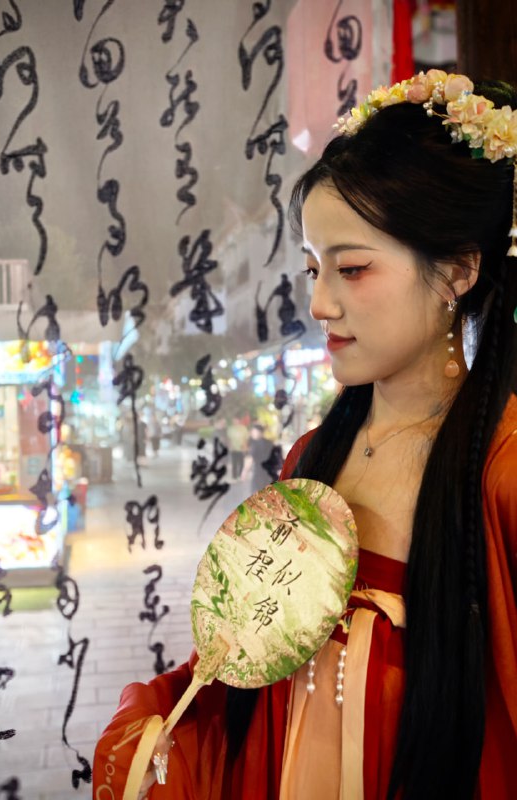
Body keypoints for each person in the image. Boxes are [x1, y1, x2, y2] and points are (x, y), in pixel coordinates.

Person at [93, 71, 517, 799]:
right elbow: (248, 660)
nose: (319, 303)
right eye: (314, 269)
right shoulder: (311, 456)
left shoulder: (501, 473)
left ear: (457, 270)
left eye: (352, 268)